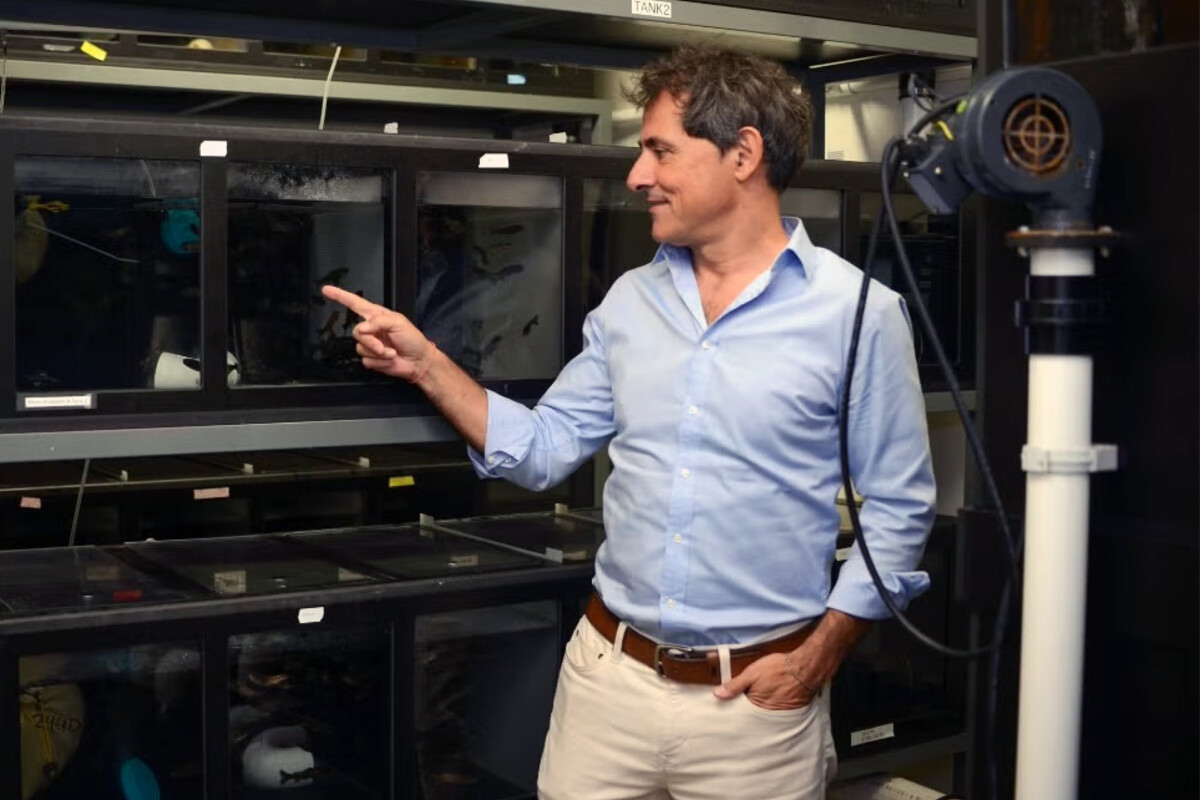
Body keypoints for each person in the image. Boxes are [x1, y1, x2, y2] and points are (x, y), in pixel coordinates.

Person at [323, 43, 935, 800]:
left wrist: (818, 659)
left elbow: (901, 508)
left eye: (659, 151)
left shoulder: (860, 316)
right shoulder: (629, 303)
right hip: (606, 685)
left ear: (743, 153)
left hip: (756, 707)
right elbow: (545, 450)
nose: (638, 176)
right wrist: (426, 364)